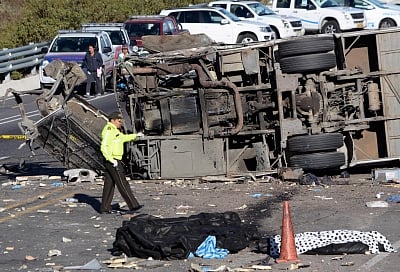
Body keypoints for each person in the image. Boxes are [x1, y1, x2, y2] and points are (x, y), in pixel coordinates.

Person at [100, 111, 144, 214]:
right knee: (122, 183)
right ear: (113, 120)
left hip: (113, 160)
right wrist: (111, 160)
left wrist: (136, 136)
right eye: (119, 121)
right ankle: (133, 205)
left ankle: (105, 207)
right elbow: (104, 146)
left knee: (109, 184)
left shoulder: (115, 130)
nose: (121, 123)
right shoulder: (109, 130)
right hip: (113, 160)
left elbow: (122, 138)